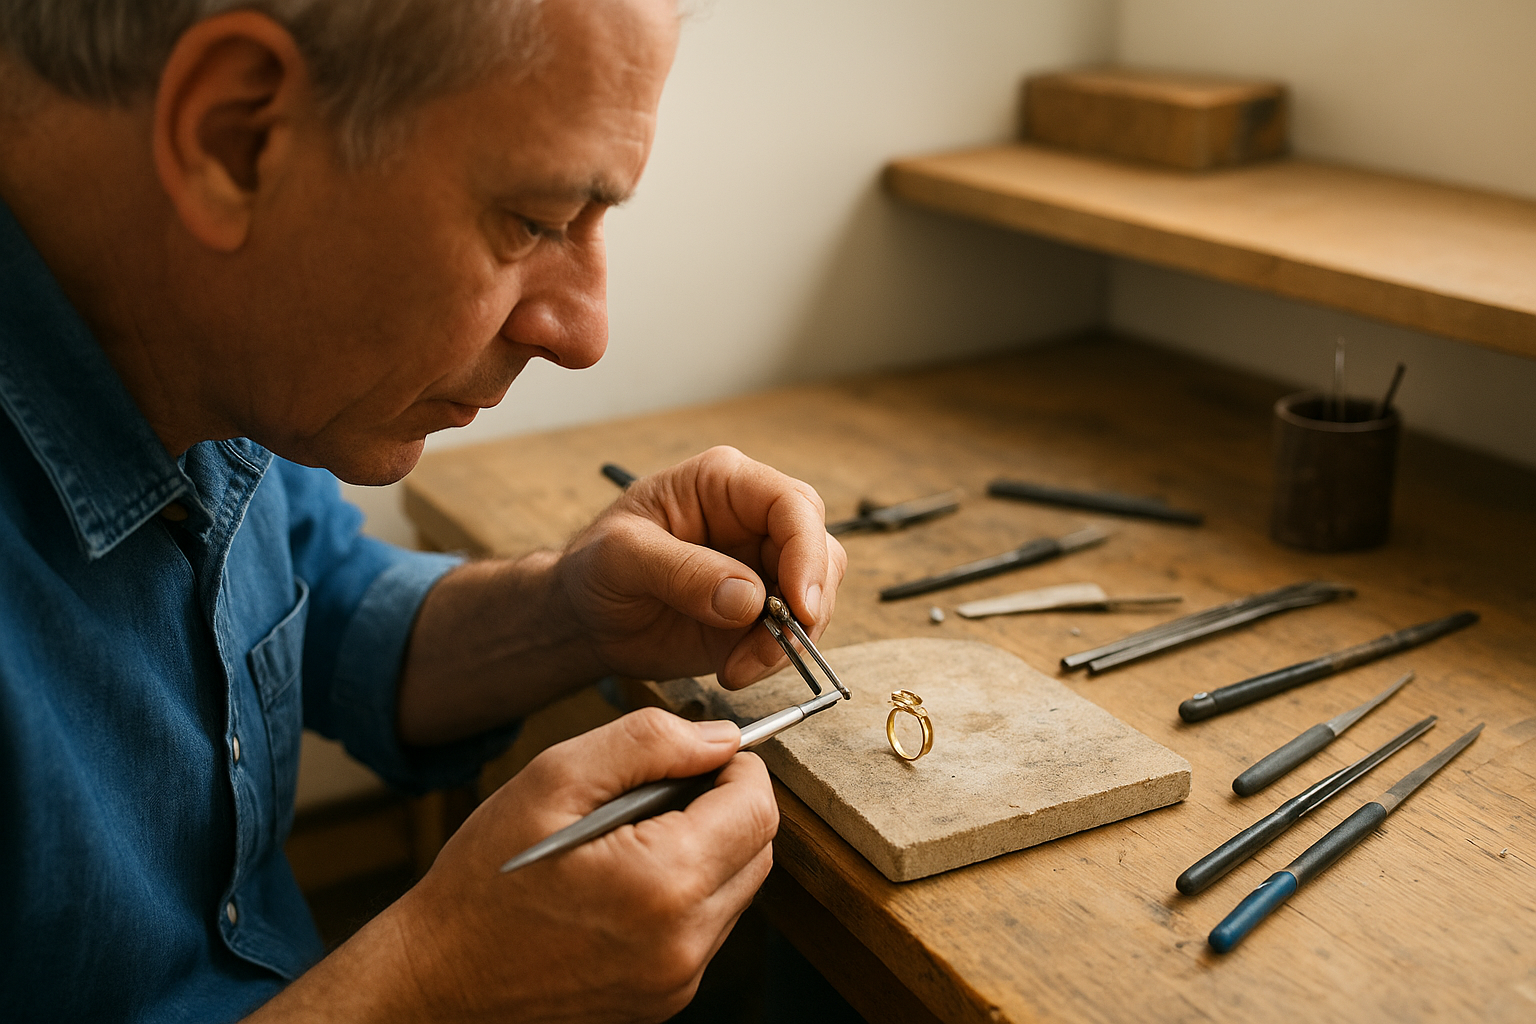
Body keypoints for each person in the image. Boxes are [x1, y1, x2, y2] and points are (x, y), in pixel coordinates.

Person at [0, 1, 847, 1020]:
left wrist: (571, 609)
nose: (584, 333)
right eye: (533, 220)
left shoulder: (223, 348)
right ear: (236, 138)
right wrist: (437, 982)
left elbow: (327, 612)